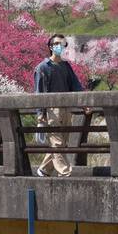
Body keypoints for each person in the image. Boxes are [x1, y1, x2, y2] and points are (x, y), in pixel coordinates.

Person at [34, 34, 85, 178]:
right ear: (50, 47)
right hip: (51, 110)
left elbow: (76, 85)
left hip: (66, 109)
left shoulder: (65, 66)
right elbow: (39, 93)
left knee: (61, 143)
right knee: (57, 143)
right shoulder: (42, 68)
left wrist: (84, 104)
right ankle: (65, 173)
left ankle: (44, 170)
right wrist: (40, 114)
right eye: (56, 43)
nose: (59, 46)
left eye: (62, 44)